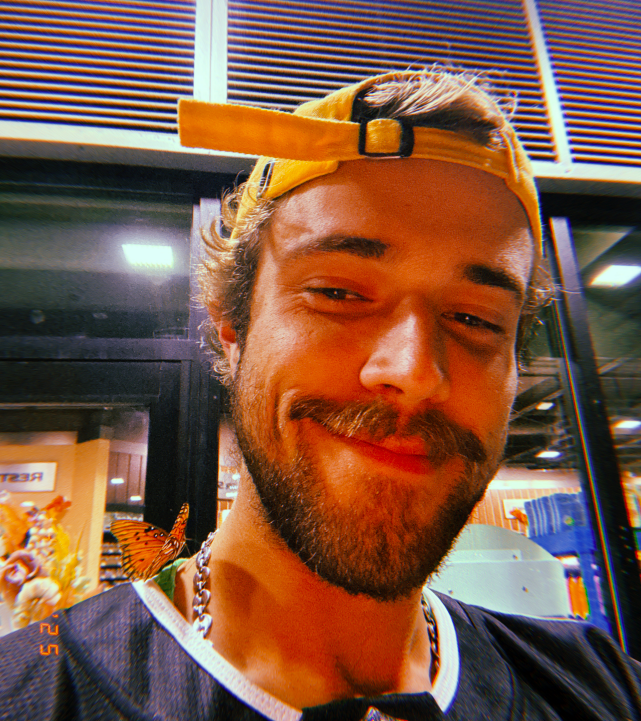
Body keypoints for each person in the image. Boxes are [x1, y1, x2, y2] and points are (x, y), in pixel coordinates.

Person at [1, 69, 640, 721]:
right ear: (232, 330)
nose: (414, 371)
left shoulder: (602, 688)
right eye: (337, 292)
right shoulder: (30, 693)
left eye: (475, 319)